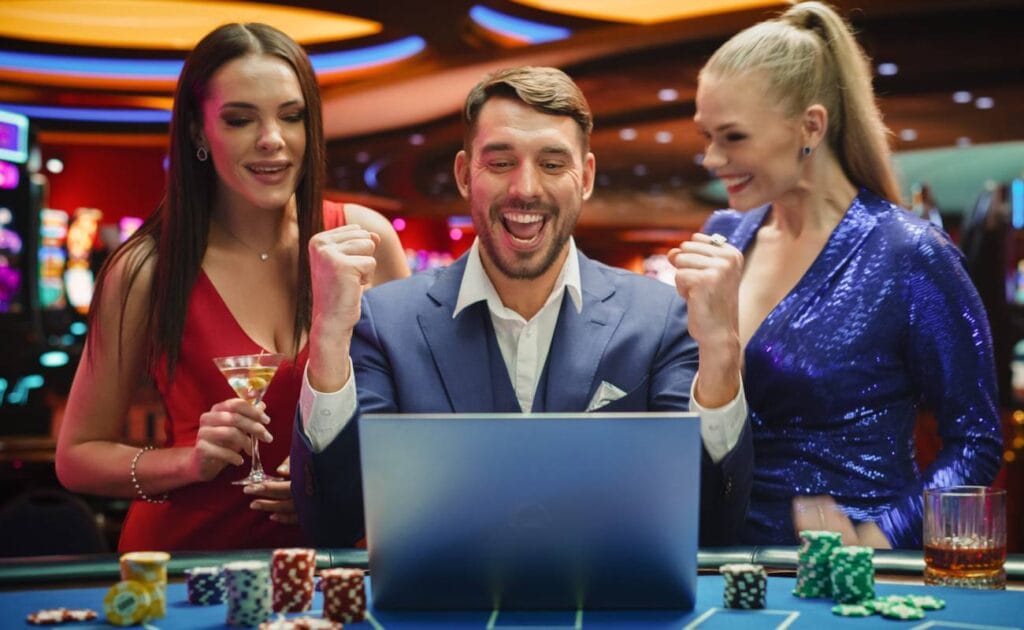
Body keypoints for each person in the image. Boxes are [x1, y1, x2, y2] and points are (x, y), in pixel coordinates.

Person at [291, 65, 753, 548]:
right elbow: (334, 524)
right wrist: (326, 339)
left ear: (586, 176)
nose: (525, 189)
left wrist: (721, 351)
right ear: (464, 175)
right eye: (500, 162)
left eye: (553, 164)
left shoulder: (663, 318)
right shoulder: (383, 321)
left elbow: (712, 526)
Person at [55, 22, 408, 552]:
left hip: (335, 567)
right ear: (198, 132)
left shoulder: (365, 242)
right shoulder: (148, 269)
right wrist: (188, 461)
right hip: (190, 571)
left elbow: (418, 423)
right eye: (240, 119)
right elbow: (76, 457)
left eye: (291, 116)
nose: (272, 139)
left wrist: (335, 479)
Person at [672, 1, 1003, 549]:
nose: (710, 159)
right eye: (706, 135)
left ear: (811, 126)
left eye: (732, 137)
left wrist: (879, 534)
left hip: (852, 581)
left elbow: (976, 442)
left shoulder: (909, 253)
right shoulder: (722, 234)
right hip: (722, 560)